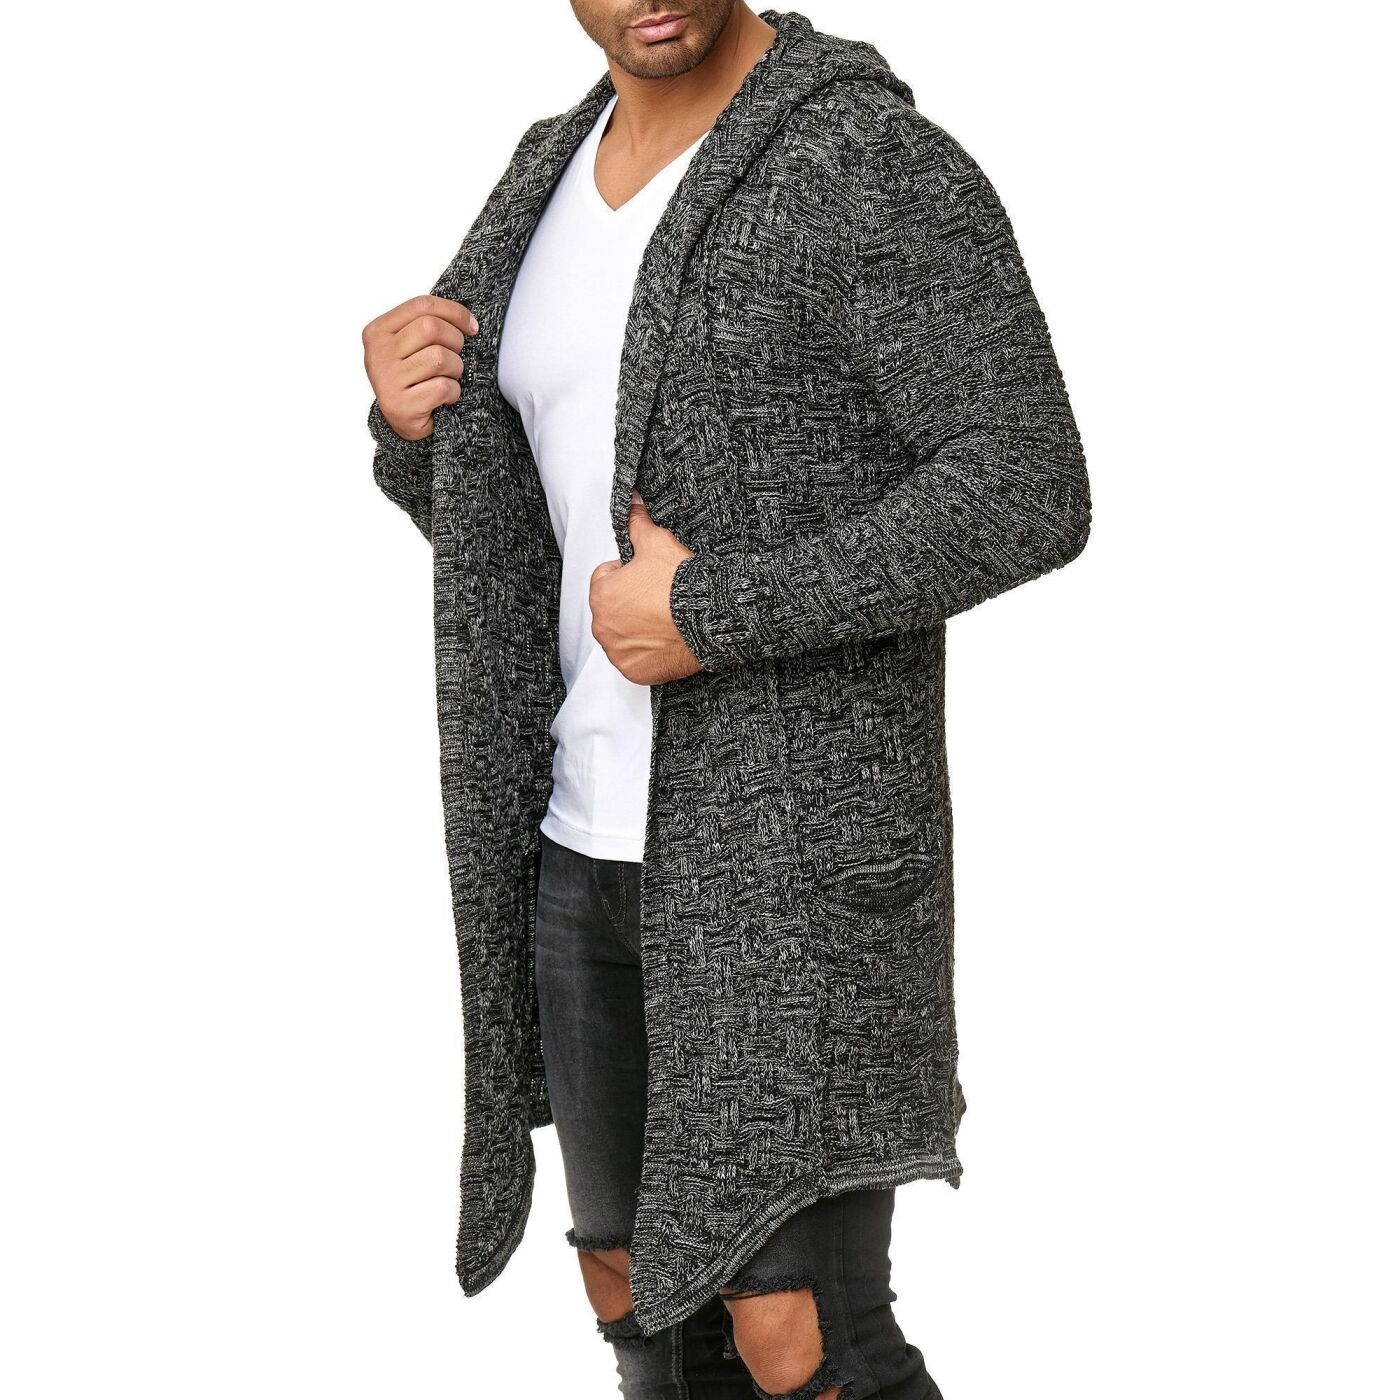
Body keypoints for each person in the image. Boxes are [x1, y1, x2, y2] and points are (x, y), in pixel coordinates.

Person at [361, 5, 1091, 1397]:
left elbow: (1026, 485)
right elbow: (515, 514)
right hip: (576, 849)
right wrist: (406, 427)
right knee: (636, 1297)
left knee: (795, 1333)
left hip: (788, 864)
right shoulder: (543, 174)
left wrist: (713, 614)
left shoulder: (863, 161)